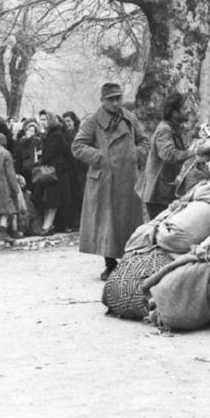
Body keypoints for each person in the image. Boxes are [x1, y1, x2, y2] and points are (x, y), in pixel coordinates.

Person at [72, 82, 149, 280]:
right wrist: (99, 157)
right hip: (104, 180)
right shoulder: (92, 121)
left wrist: (136, 154)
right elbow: (78, 146)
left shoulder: (129, 118)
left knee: (128, 221)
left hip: (128, 178)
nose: (115, 103)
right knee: (108, 223)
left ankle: (129, 261)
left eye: (118, 98)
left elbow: (144, 140)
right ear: (102, 100)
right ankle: (110, 263)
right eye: (111, 99)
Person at [136, 92, 195, 219]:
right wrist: (193, 152)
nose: (188, 110)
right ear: (174, 112)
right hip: (157, 194)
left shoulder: (173, 128)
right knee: (160, 232)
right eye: (184, 108)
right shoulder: (165, 129)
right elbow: (169, 155)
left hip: (164, 191)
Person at [33, 110, 71, 235]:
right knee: (48, 199)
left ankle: (48, 225)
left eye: (44, 119)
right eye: (41, 120)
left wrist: (42, 157)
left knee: (52, 199)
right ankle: (47, 224)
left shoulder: (56, 135)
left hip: (55, 171)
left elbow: (50, 154)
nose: (42, 122)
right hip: (52, 170)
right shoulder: (51, 134)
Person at [62, 111, 86, 231]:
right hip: (69, 170)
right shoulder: (63, 135)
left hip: (80, 170)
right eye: (65, 121)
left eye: (69, 121)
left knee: (79, 196)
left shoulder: (79, 134)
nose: (67, 124)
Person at [14, 119, 42, 189]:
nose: (30, 132)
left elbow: (40, 150)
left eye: (32, 131)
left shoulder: (37, 140)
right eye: (28, 130)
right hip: (24, 166)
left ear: (35, 132)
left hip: (33, 165)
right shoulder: (22, 140)